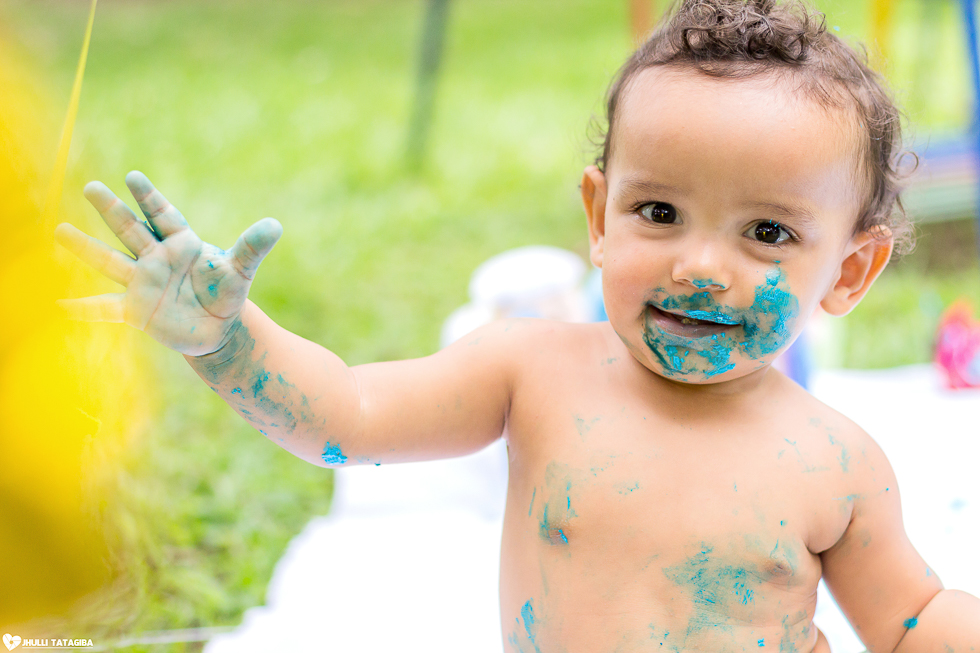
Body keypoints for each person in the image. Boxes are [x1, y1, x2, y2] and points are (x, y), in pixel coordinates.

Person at [55, 0, 980, 650]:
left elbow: (910, 621)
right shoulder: (533, 370)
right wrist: (228, 339)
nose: (699, 265)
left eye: (767, 232)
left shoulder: (839, 461)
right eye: (659, 212)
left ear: (848, 271)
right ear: (599, 214)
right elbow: (348, 416)